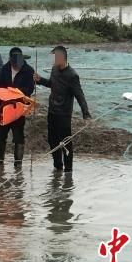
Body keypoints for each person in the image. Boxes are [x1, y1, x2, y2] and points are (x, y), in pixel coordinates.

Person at [34, 45, 91, 173]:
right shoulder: (54, 69)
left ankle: (68, 170)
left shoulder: (72, 75)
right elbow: (51, 84)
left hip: (64, 114)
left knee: (65, 142)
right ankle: (58, 166)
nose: (54, 60)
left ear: (62, 58)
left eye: (56, 57)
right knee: (51, 140)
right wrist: (40, 80)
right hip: (52, 111)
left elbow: (79, 96)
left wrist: (86, 114)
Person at [0, 47, 35, 167]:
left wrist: (13, 92)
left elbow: (29, 89)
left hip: (19, 108)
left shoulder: (29, 70)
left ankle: (18, 164)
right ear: (10, 59)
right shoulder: (4, 69)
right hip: (4, 108)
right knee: (0, 136)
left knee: (18, 136)